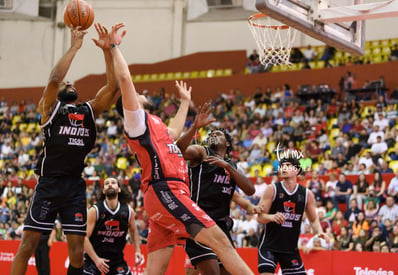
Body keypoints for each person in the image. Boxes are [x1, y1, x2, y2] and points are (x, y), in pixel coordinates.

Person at [109, 23, 254, 275]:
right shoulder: (134, 121)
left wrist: (186, 103)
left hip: (164, 197)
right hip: (167, 190)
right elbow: (124, 78)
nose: (140, 94)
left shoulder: (153, 123)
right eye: (135, 94)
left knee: (154, 271)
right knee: (222, 243)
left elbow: (173, 133)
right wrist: (113, 47)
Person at [10, 23, 119, 275]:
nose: (69, 83)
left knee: (77, 252)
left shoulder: (88, 110)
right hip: (49, 184)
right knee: (27, 245)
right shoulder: (50, 110)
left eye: (71, 83)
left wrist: (107, 50)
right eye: (65, 85)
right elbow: (55, 79)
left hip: (73, 187)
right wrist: (75, 47)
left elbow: (112, 88)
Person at [176, 113, 261, 274]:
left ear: (228, 143)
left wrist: (228, 167)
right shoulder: (202, 152)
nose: (213, 135)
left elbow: (250, 190)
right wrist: (194, 127)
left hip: (221, 227)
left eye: (218, 134)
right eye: (211, 134)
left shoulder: (231, 166)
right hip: (198, 222)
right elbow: (177, 150)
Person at [256, 157, 329, 275]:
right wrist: (271, 217)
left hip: (290, 248)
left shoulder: (306, 194)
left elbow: (314, 219)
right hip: (270, 246)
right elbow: (259, 217)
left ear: (297, 170)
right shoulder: (272, 189)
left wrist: (319, 230)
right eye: (282, 166)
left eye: (288, 165)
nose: (284, 168)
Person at [83, 177, 144, 274]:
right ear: (103, 191)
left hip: (116, 259)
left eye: (113, 182)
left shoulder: (128, 211)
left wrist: (137, 250)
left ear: (119, 189)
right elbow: (84, 237)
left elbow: (133, 231)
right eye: (107, 183)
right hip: (93, 258)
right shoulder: (95, 210)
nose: (110, 184)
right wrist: (96, 260)